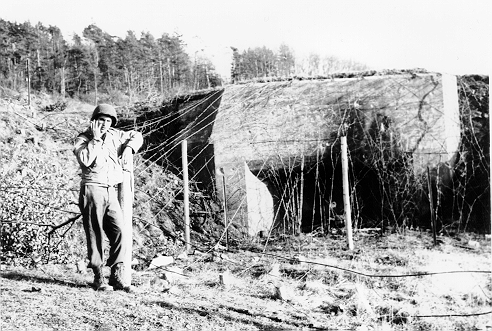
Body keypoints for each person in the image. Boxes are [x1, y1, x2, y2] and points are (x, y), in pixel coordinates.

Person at [73, 104, 143, 291]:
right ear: (93, 121)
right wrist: (95, 140)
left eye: (108, 121)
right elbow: (85, 160)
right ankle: (98, 276)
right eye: (101, 120)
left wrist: (129, 149)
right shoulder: (83, 138)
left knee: (119, 230)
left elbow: (137, 135)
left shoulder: (116, 135)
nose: (104, 124)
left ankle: (117, 275)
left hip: (111, 190)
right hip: (92, 189)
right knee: (95, 233)